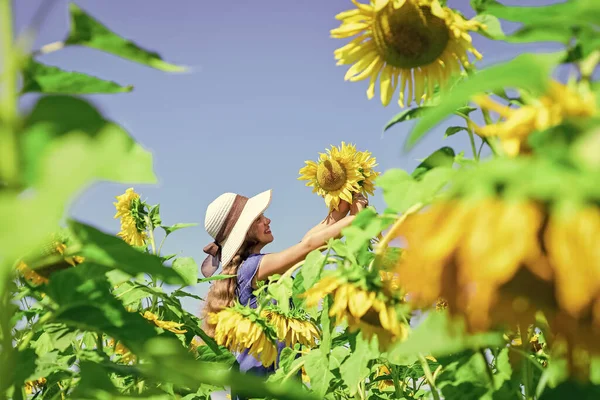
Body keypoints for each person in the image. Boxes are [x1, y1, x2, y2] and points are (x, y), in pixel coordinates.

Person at [199, 189, 368, 397]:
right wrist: (357, 219)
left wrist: (338, 214)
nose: (267, 220)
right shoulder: (253, 267)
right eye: (259, 218)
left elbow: (306, 243)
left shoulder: (251, 267)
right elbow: (307, 247)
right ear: (245, 232)